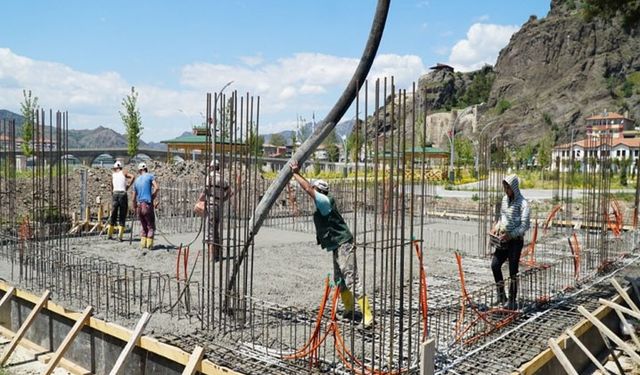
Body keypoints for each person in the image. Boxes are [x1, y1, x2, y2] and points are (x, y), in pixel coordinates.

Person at [289, 160, 373, 328]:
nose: (312, 191)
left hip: (343, 243)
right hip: (337, 245)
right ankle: (349, 310)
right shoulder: (323, 201)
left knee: (351, 278)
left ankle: (368, 316)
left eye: (315, 189)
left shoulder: (324, 201)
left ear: (319, 191)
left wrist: (296, 173)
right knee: (339, 279)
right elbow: (309, 188)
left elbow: (307, 188)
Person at [490, 174, 530, 310]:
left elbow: (524, 225)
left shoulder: (523, 204)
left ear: (514, 187)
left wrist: (511, 235)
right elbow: (502, 218)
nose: (506, 190)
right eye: (505, 187)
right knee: (495, 265)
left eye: (508, 188)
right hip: (503, 240)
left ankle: (512, 300)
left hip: (515, 242)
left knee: (513, 270)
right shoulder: (504, 200)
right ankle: (501, 296)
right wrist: (496, 227)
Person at [197, 159, 231, 261]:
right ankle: (218, 254)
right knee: (217, 230)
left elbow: (205, 191)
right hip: (219, 207)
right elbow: (230, 192)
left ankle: (211, 256)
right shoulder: (223, 178)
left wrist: (199, 200)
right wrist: (223, 200)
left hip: (211, 205)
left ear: (211, 167)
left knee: (210, 230)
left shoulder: (210, 177)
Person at [132, 162, 159, 250]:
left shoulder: (136, 181)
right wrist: (153, 196)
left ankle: (143, 244)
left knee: (144, 226)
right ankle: (149, 245)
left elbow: (133, 197)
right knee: (150, 226)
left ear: (139, 170)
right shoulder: (150, 176)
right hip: (147, 204)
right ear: (146, 169)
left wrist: (134, 205)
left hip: (140, 206)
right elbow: (157, 188)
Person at [107, 161, 134, 241]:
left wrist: (112, 193)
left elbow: (111, 186)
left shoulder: (113, 175)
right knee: (122, 215)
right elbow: (133, 176)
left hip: (115, 194)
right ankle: (120, 236)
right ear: (120, 167)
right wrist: (128, 185)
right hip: (123, 194)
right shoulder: (124, 172)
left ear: (115, 168)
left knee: (113, 214)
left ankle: (109, 235)